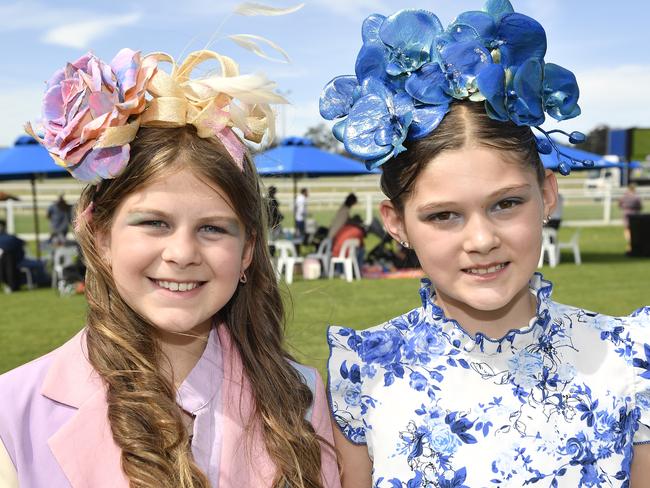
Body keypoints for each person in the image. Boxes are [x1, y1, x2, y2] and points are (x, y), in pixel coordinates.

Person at [320, 2, 650, 486]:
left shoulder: (628, 359)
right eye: (443, 215)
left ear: (548, 195)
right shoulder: (363, 372)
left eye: (505, 204)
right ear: (396, 223)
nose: (481, 240)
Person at [0, 46, 339, 488]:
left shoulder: (304, 399)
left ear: (248, 252)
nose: (182, 253)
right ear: (101, 237)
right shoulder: (13, 413)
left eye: (214, 229)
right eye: (154, 223)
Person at [0, 219, 25, 292]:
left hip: (9, 259)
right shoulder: (10, 238)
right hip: (8, 259)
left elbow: (21, 244)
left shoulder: (10, 237)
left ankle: (10, 284)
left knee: (7, 257)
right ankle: (11, 285)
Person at [619, 183, 643, 253]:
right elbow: (640, 206)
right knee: (634, 230)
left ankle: (629, 243)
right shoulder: (636, 197)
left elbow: (620, 204)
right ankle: (632, 243)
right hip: (635, 214)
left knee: (627, 229)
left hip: (626, 214)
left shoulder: (624, 196)